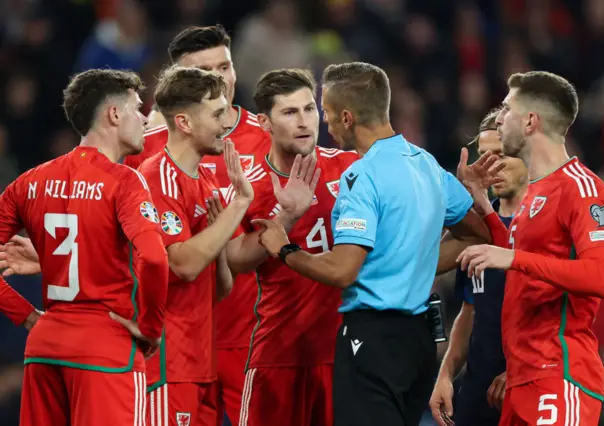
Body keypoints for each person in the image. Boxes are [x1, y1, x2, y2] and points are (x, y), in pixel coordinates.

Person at [253, 61, 498, 426]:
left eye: (327, 114)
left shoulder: (360, 176)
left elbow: (342, 270)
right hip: (420, 342)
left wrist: (285, 249)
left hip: (372, 339)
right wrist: (410, 263)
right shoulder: (426, 163)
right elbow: (477, 234)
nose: (327, 125)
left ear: (347, 118)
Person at [0, 69, 169, 425]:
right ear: (113, 114)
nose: (143, 119)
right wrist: (151, 327)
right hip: (105, 349)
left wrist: (27, 316)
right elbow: (154, 258)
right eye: (138, 109)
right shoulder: (124, 181)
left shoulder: (29, 182)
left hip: (44, 349)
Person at [125, 26, 271, 425]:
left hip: (239, 335)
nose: (220, 81)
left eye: (224, 67)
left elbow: (222, 277)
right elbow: (171, 260)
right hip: (172, 348)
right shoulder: (147, 157)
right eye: (205, 73)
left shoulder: (268, 137)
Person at [457, 71, 604, 426]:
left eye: (507, 109)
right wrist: (484, 206)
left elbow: (601, 276)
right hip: (520, 378)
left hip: (559, 377)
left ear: (530, 121)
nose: (498, 119)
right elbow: (519, 254)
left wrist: (513, 257)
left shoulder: (582, 189)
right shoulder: (535, 193)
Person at [222, 68, 358, 426]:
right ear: (264, 123)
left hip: (346, 354)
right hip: (278, 355)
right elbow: (236, 260)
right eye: (289, 112)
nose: (304, 122)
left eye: (309, 109)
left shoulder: (352, 170)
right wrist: (288, 215)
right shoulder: (247, 189)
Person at [429, 109, 528, 426]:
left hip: (528, 385)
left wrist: (520, 369)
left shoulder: (546, 221)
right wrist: (445, 374)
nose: (491, 165)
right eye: (483, 156)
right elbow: (470, 309)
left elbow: (563, 312)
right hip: (477, 390)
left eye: (500, 154)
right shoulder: (479, 228)